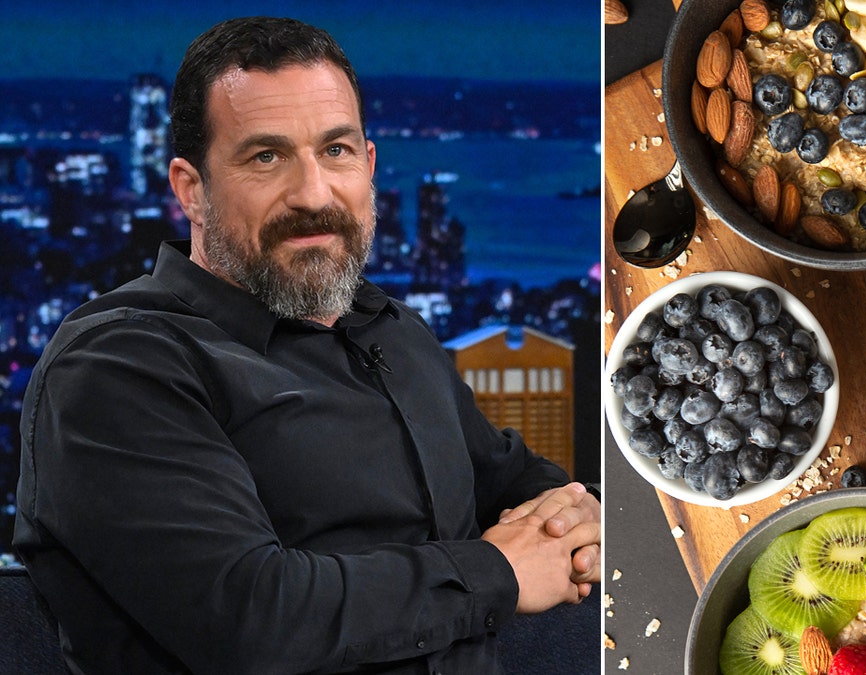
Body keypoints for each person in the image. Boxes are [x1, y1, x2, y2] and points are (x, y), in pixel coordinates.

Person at [12, 16, 600, 674]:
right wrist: (498, 570)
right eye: (266, 157)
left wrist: (577, 524)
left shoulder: (393, 330)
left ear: (369, 166)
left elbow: (512, 478)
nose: (313, 193)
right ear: (190, 189)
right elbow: (252, 619)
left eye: (336, 151)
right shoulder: (117, 365)